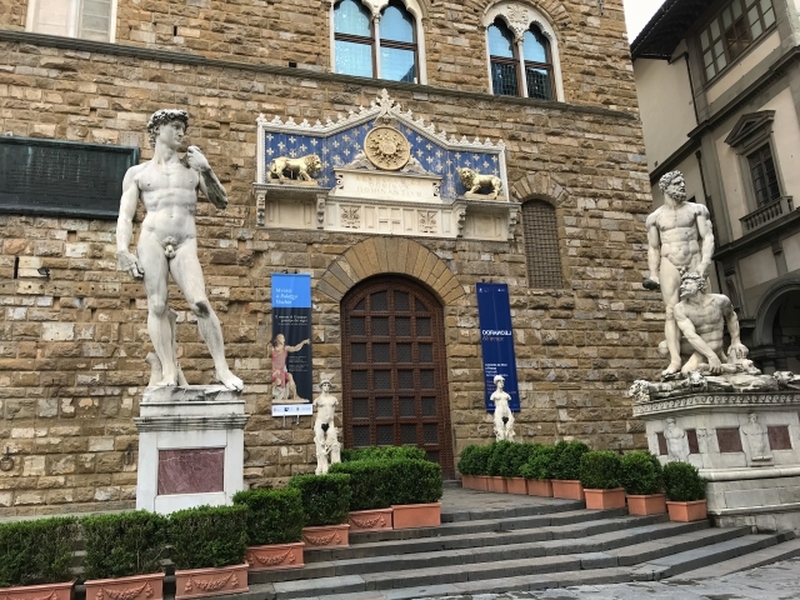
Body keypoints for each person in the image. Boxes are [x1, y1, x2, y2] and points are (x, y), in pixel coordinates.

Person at [116, 109, 243, 391]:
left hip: (185, 241)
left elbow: (221, 201)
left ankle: (222, 369)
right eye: (175, 126)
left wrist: (207, 169)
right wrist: (122, 249)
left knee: (200, 302)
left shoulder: (193, 169)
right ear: (158, 130)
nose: (181, 132)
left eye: (182, 127)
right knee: (157, 305)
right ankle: (169, 371)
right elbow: (125, 215)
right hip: (152, 239)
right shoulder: (138, 173)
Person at [645, 171, 715, 378]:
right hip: (669, 263)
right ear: (665, 188)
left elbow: (707, 237)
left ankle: (704, 354)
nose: (682, 186)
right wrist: (653, 274)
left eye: (683, 182)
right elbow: (653, 247)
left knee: (703, 308)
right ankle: (675, 360)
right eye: (677, 183)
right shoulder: (655, 218)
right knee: (671, 311)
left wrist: (704, 264)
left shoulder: (697, 210)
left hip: (693, 260)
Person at [673, 271, 749, 376]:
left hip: (714, 343)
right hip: (699, 344)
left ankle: (718, 367)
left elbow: (731, 316)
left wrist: (736, 341)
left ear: (699, 285)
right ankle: (724, 366)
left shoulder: (720, 300)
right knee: (664, 347)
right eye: (682, 284)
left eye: (687, 283)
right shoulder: (680, 308)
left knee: (687, 372)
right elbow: (691, 335)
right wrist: (711, 356)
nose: (682, 286)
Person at [313, 377, 341, 475]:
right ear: (321, 387)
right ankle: (322, 467)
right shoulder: (318, 400)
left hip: (330, 423)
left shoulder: (333, 399)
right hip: (320, 423)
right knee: (320, 444)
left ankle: (335, 466)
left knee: (334, 443)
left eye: (328, 385)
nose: (326, 387)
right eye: (324, 385)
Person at [271, 333, 310, 402]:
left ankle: (295, 395)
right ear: (278, 339)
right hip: (274, 371)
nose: (284, 340)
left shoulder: (285, 348)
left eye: (284, 338)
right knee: (278, 382)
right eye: (282, 338)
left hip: (282, 371)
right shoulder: (272, 349)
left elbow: (295, 348)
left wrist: (303, 342)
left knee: (290, 376)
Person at [490, 374, 515, 442]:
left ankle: (510, 445)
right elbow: (492, 399)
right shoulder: (494, 395)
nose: (501, 384)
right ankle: (501, 445)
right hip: (499, 411)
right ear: (496, 383)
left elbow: (509, 399)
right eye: (499, 382)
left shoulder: (506, 395)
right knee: (500, 432)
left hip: (507, 411)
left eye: (502, 382)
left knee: (509, 431)